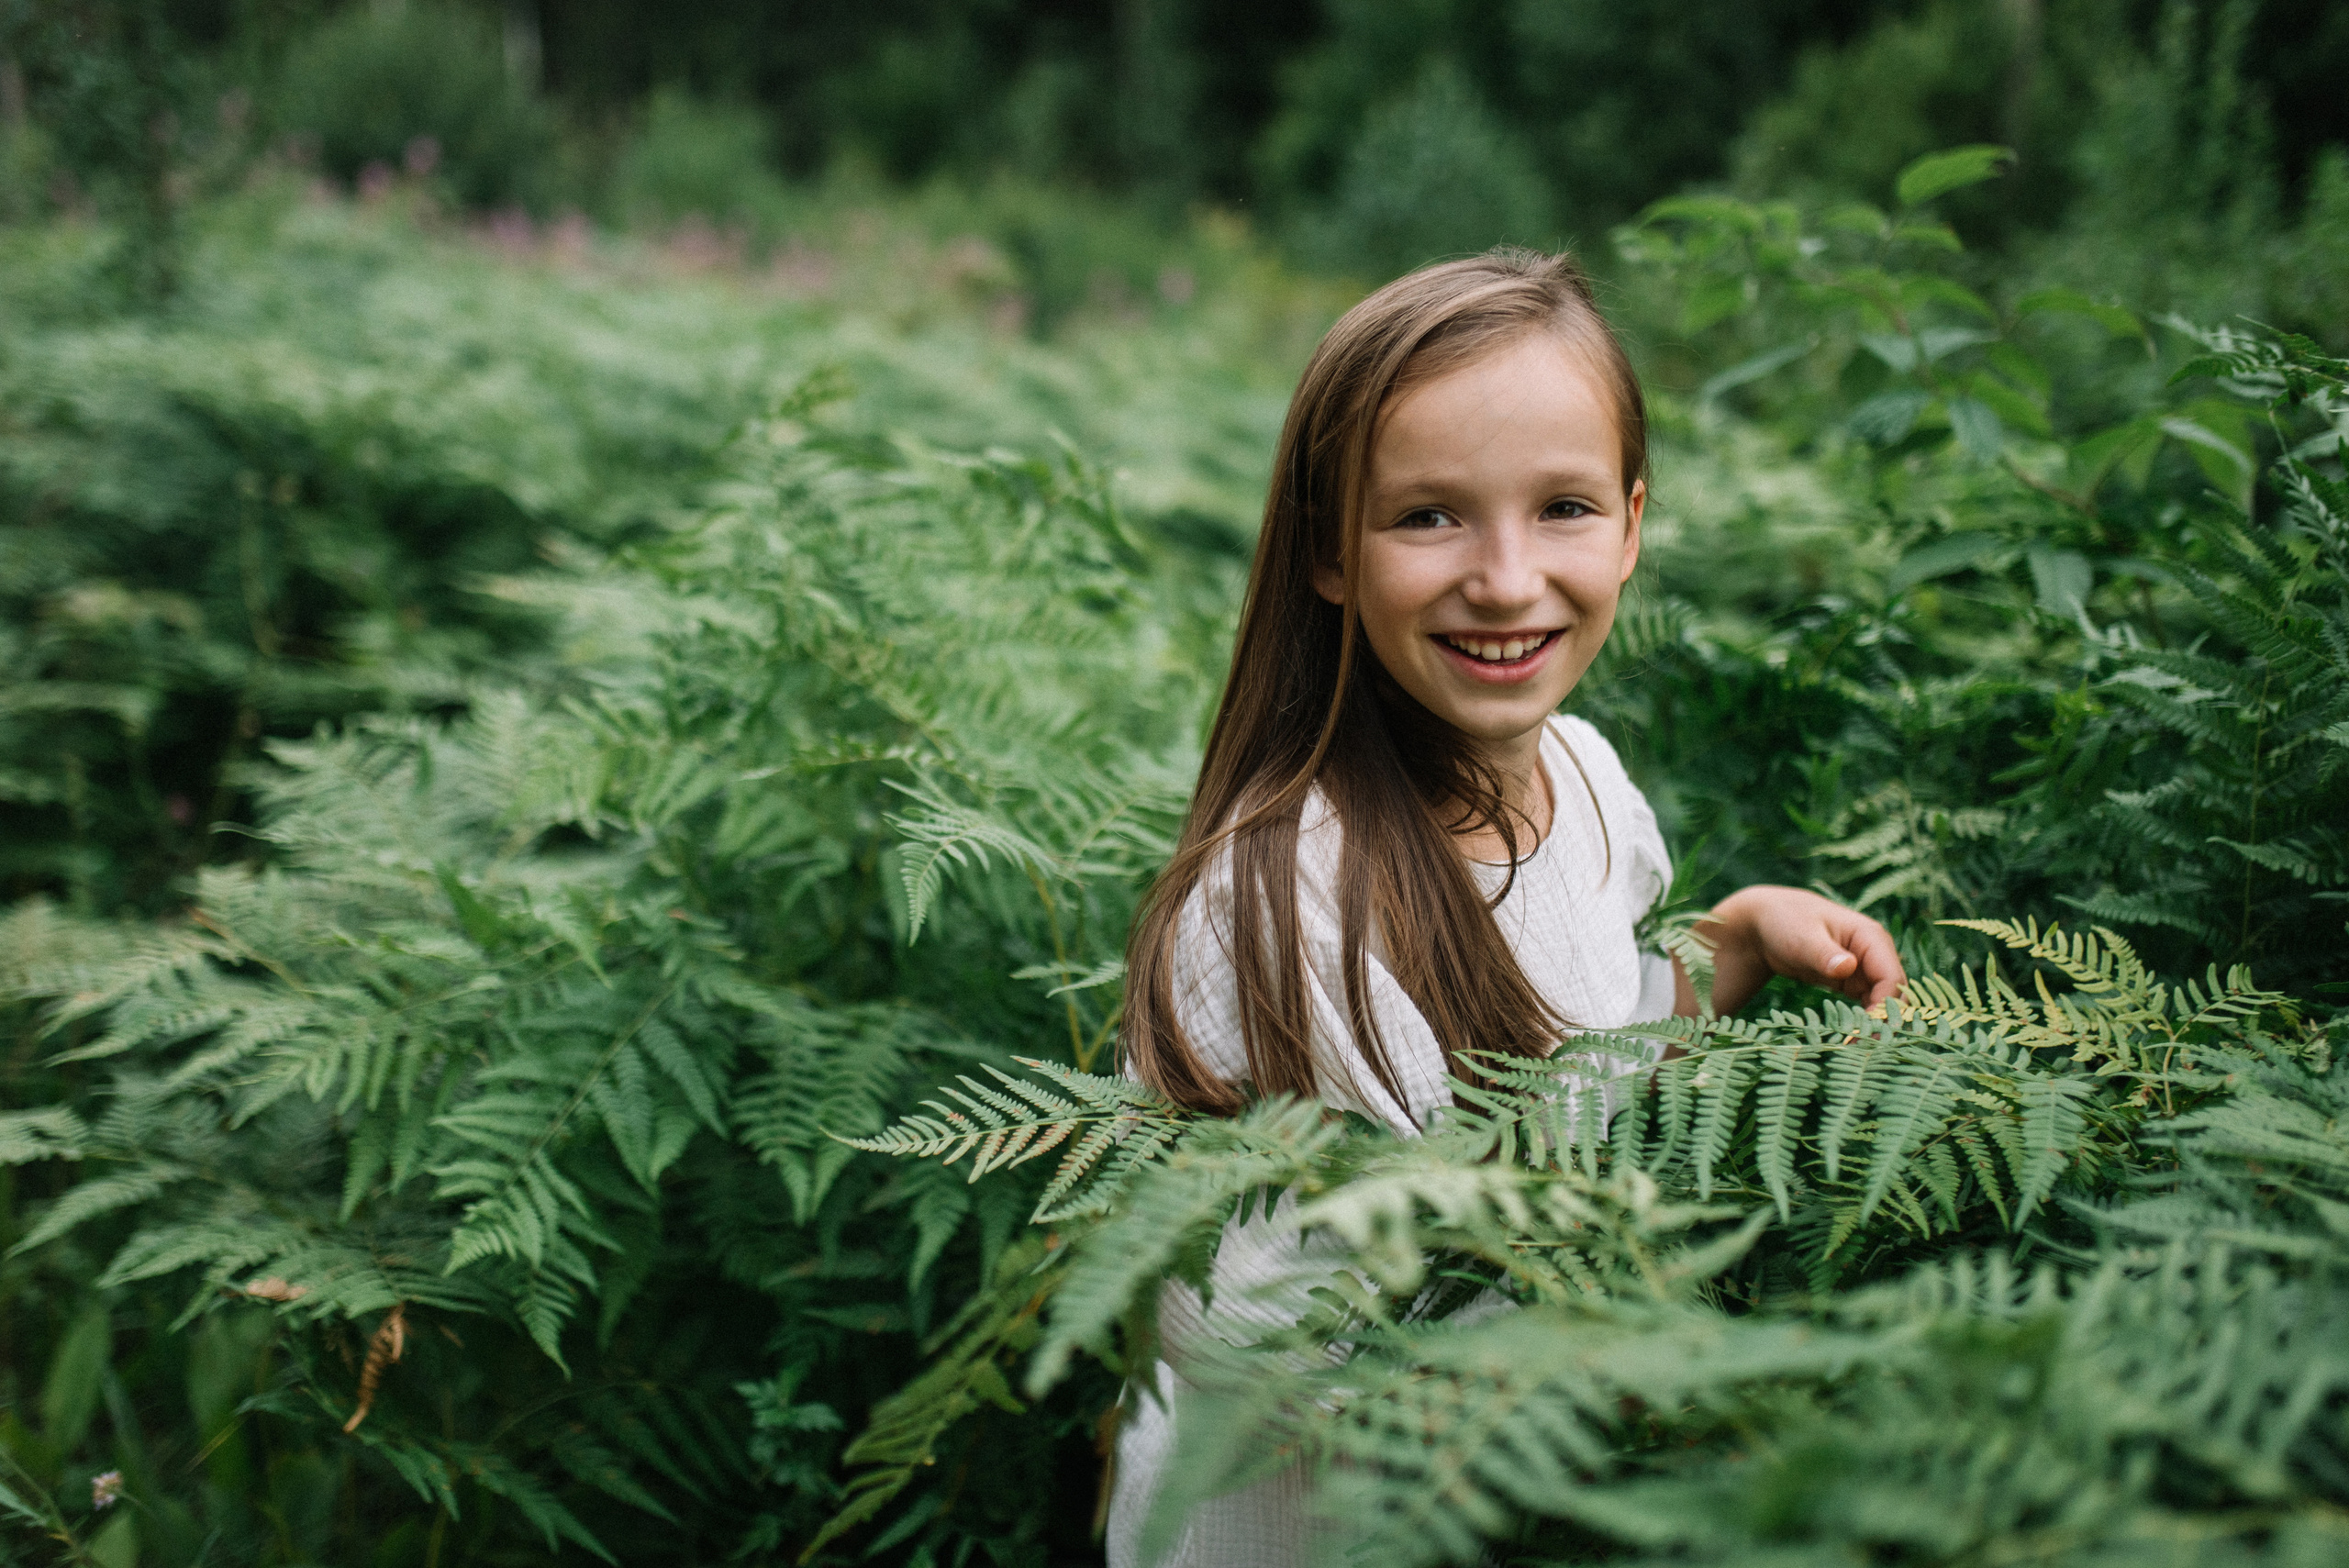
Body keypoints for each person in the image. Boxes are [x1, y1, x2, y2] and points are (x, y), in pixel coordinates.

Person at [1104, 248, 1907, 1567]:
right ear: (1328, 551)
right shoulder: (1280, 905)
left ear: (1635, 523)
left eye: (1565, 508)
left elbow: (1598, 1053)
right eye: (1430, 517)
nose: (1506, 576)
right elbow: (1241, 1330)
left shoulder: (1588, 780)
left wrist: (1735, 943)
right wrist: (1595, 1364)